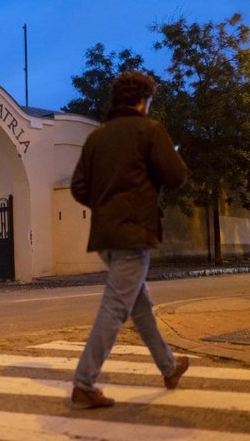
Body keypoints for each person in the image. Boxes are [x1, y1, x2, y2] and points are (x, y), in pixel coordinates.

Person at [70, 71, 189, 409]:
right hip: (133, 234)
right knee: (115, 308)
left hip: (106, 236)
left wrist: (106, 204)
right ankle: (83, 382)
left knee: (140, 305)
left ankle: (168, 367)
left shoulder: (97, 137)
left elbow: (79, 187)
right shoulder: (147, 130)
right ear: (143, 100)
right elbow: (177, 175)